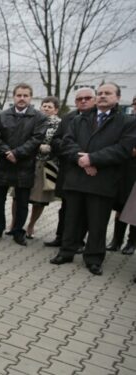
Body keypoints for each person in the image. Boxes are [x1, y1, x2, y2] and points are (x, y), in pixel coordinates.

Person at [50, 83, 136, 276]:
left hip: (102, 180)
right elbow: (67, 142)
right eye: (100, 93)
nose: (103, 96)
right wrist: (82, 160)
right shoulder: (80, 119)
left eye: (108, 93)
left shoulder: (127, 122)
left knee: (97, 222)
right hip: (77, 177)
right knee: (71, 219)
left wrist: (93, 159)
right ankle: (66, 252)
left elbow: (123, 149)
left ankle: (94, 258)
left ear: (117, 97)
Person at [0, 83, 47, 246]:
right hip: (4, 163)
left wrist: (17, 153)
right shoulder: (2, 116)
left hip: (25, 164)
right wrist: (7, 152)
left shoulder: (39, 117)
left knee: (22, 201)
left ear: (30, 98)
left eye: (25, 95)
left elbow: (37, 139)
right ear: (14, 97)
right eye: (19, 95)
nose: (22, 98)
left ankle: (19, 232)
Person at [45, 87, 96, 247]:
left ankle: (79, 241)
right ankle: (61, 237)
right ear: (75, 102)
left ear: (93, 100)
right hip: (69, 169)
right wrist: (75, 153)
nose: (83, 101)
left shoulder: (99, 119)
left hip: (91, 171)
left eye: (87, 98)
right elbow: (56, 140)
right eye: (80, 99)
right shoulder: (68, 118)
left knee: (85, 210)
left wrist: (88, 157)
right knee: (66, 207)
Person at [24, 96, 62, 239]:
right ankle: (14, 224)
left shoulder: (60, 125)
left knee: (39, 199)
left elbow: (62, 142)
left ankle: (31, 225)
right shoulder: (34, 120)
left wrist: (51, 148)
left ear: (56, 110)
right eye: (44, 106)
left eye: (49, 107)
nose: (45, 108)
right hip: (28, 161)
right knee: (18, 195)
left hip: (47, 164)